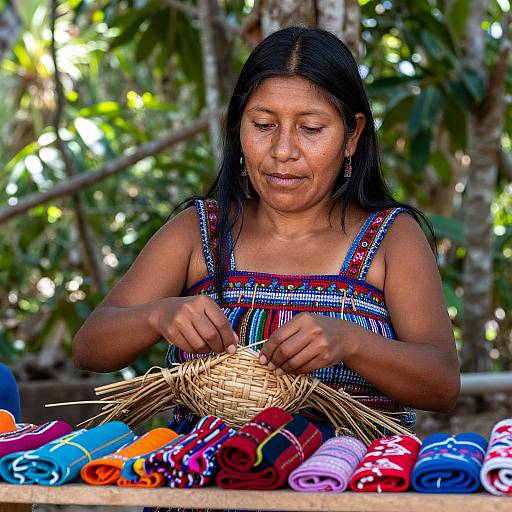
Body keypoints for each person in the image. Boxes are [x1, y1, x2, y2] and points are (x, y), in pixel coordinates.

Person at [73, 27, 460, 444]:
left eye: (311, 129)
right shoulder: (197, 232)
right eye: (263, 124)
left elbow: (441, 385)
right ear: (238, 126)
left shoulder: (391, 239)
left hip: (348, 491)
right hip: (203, 492)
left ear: (352, 136)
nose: (282, 150)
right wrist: (159, 315)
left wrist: (351, 342)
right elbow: (90, 347)